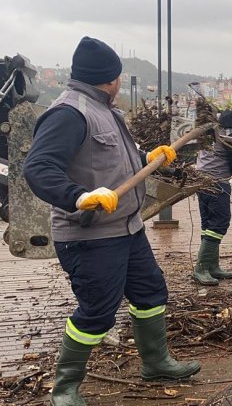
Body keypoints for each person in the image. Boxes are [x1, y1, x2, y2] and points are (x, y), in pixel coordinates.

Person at [23, 36, 200, 405]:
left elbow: (112, 154)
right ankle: (66, 388)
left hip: (127, 228)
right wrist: (80, 196)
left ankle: (156, 362)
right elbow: (38, 168)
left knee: (151, 292)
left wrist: (147, 156)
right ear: (111, 78)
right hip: (90, 235)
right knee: (97, 312)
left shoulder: (105, 109)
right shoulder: (69, 113)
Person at [192, 99, 232, 285]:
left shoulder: (214, 124)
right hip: (217, 182)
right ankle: (201, 268)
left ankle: (212, 266)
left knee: (208, 224)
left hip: (201, 180)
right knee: (219, 223)